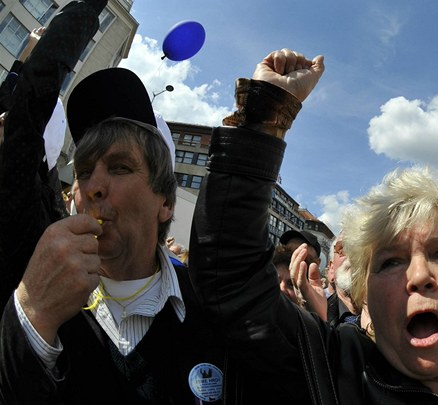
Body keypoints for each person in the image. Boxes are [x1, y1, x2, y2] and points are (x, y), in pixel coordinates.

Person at [187, 51, 438, 404]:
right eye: (390, 261)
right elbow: (229, 278)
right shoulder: (331, 368)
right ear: (364, 293)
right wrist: (265, 116)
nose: (419, 276)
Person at [0, 51, 312, 403]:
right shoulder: (37, 291)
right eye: (84, 171)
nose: (92, 186)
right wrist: (32, 317)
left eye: (119, 167)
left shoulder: (215, 313)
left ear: (164, 202)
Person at [0, 5, 99, 310]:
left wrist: (88, 7)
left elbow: (30, 99)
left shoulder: (19, 206)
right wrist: (24, 54)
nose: (3, 116)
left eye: (8, 120)